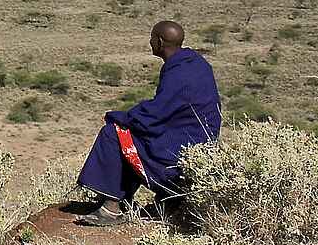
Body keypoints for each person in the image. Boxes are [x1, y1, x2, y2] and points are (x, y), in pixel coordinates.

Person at [76, 20, 221, 227]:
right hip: (199, 144)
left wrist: (121, 117)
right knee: (134, 135)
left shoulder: (179, 73)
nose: (150, 42)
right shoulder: (196, 64)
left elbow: (156, 113)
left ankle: (111, 208)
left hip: (180, 149)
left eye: (152, 38)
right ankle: (144, 201)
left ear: (160, 42)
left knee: (114, 133)